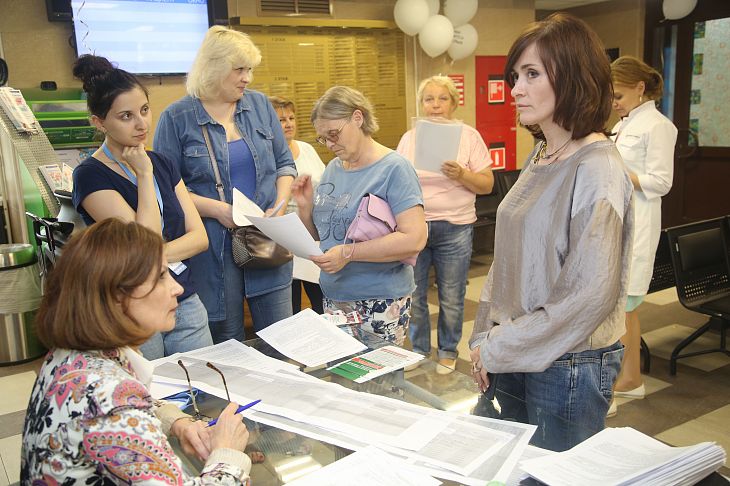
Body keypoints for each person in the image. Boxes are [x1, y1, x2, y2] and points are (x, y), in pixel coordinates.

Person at [468, 12, 634, 451]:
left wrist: (499, 346)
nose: (516, 89)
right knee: (516, 471)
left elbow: (588, 294)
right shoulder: (544, 152)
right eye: (515, 76)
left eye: (531, 74)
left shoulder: (596, 166)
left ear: (574, 77)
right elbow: (507, 262)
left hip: (569, 361)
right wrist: (484, 338)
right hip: (519, 347)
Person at [21, 219, 251, 484]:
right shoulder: (110, 398)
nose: (177, 288)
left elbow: (126, 410)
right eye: (162, 276)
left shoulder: (71, 357)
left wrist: (176, 422)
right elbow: (118, 409)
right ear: (117, 296)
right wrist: (227, 454)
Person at [154, 26, 297, 343]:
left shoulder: (259, 106)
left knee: (282, 340)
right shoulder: (176, 118)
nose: (247, 78)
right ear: (214, 67)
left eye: (249, 69)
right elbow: (165, 189)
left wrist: (281, 203)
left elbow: (285, 163)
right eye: (239, 69)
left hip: (265, 238)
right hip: (211, 249)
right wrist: (218, 209)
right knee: (226, 341)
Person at [71, 54, 213, 360]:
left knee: (206, 388)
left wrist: (153, 256)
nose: (141, 124)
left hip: (182, 295)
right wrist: (144, 175)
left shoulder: (161, 161)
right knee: (150, 397)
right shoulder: (90, 175)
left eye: (144, 110)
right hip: (131, 305)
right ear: (99, 122)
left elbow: (200, 238)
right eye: (125, 116)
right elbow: (141, 242)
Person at [292, 86, 427, 345]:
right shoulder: (333, 169)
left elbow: (414, 239)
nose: (330, 144)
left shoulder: (394, 169)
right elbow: (320, 236)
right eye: (323, 139)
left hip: (379, 299)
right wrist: (305, 206)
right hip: (334, 296)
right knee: (343, 379)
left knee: (380, 383)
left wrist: (347, 254)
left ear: (357, 118)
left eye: (334, 134)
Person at [396, 75, 494, 374]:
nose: (435, 105)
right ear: (421, 104)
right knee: (415, 293)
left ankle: (449, 351)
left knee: (452, 295)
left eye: (442, 99)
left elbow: (487, 185)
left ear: (454, 103)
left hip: (456, 227)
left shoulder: (468, 135)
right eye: (429, 99)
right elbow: (396, 181)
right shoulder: (410, 137)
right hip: (417, 227)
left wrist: (461, 174)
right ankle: (421, 350)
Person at [609, 55, 677, 408]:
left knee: (627, 306)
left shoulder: (658, 126)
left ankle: (630, 378)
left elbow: (662, 182)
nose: (614, 103)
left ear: (640, 88)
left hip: (640, 224)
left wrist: (621, 175)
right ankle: (627, 376)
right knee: (621, 307)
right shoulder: (626, 123)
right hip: (618, 221)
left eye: (619, 95)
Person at [269, 95, 326, 314]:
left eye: (291, 118)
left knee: (320, 300)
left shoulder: (306, 148)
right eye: (282, 120)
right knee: (290, 306)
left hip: (313, 234)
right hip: (285, 238)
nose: (289, 124)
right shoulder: (269, 155)